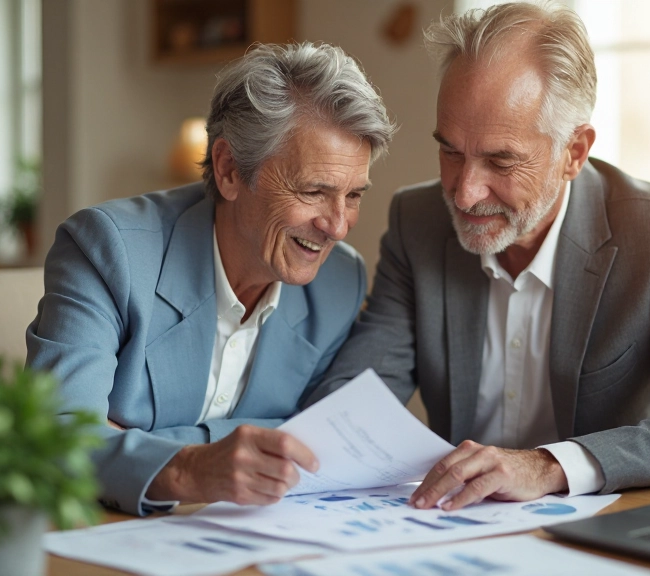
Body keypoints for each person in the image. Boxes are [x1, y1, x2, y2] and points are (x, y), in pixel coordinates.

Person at [305, 1, 650, 511]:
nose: (464, 193)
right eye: (452, 151)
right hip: (449, 526)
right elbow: (355, 400)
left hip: (600, 531)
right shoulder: (417, 221)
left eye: (501, 161)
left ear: (574, 152)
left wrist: (549, 466)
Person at [26, 42, 395, 516]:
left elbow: (318, 443)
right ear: (229, 170)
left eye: (354, 196)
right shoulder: (107, 249)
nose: (338, 226)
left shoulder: (340, 282)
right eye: (313, 191)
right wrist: (190, 470)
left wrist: (136, 445)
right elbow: (54, 436)